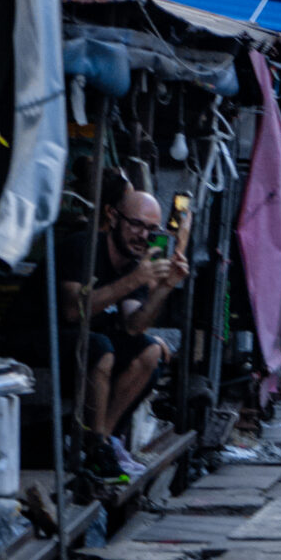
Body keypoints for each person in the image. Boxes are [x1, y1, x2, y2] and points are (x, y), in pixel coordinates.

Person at [64, 173, 186, 479]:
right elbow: (72, 310)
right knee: (101, 348)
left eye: (151, 230)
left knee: (147, 352)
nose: (143, 236)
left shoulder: (135, 264)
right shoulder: (83, 246)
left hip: (90, 342)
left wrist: (164, 287)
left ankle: (103, 442)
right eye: (136, 225)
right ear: (113, 217)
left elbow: (134, 325)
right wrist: (135, 279)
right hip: (43, 335)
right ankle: (95, 445)